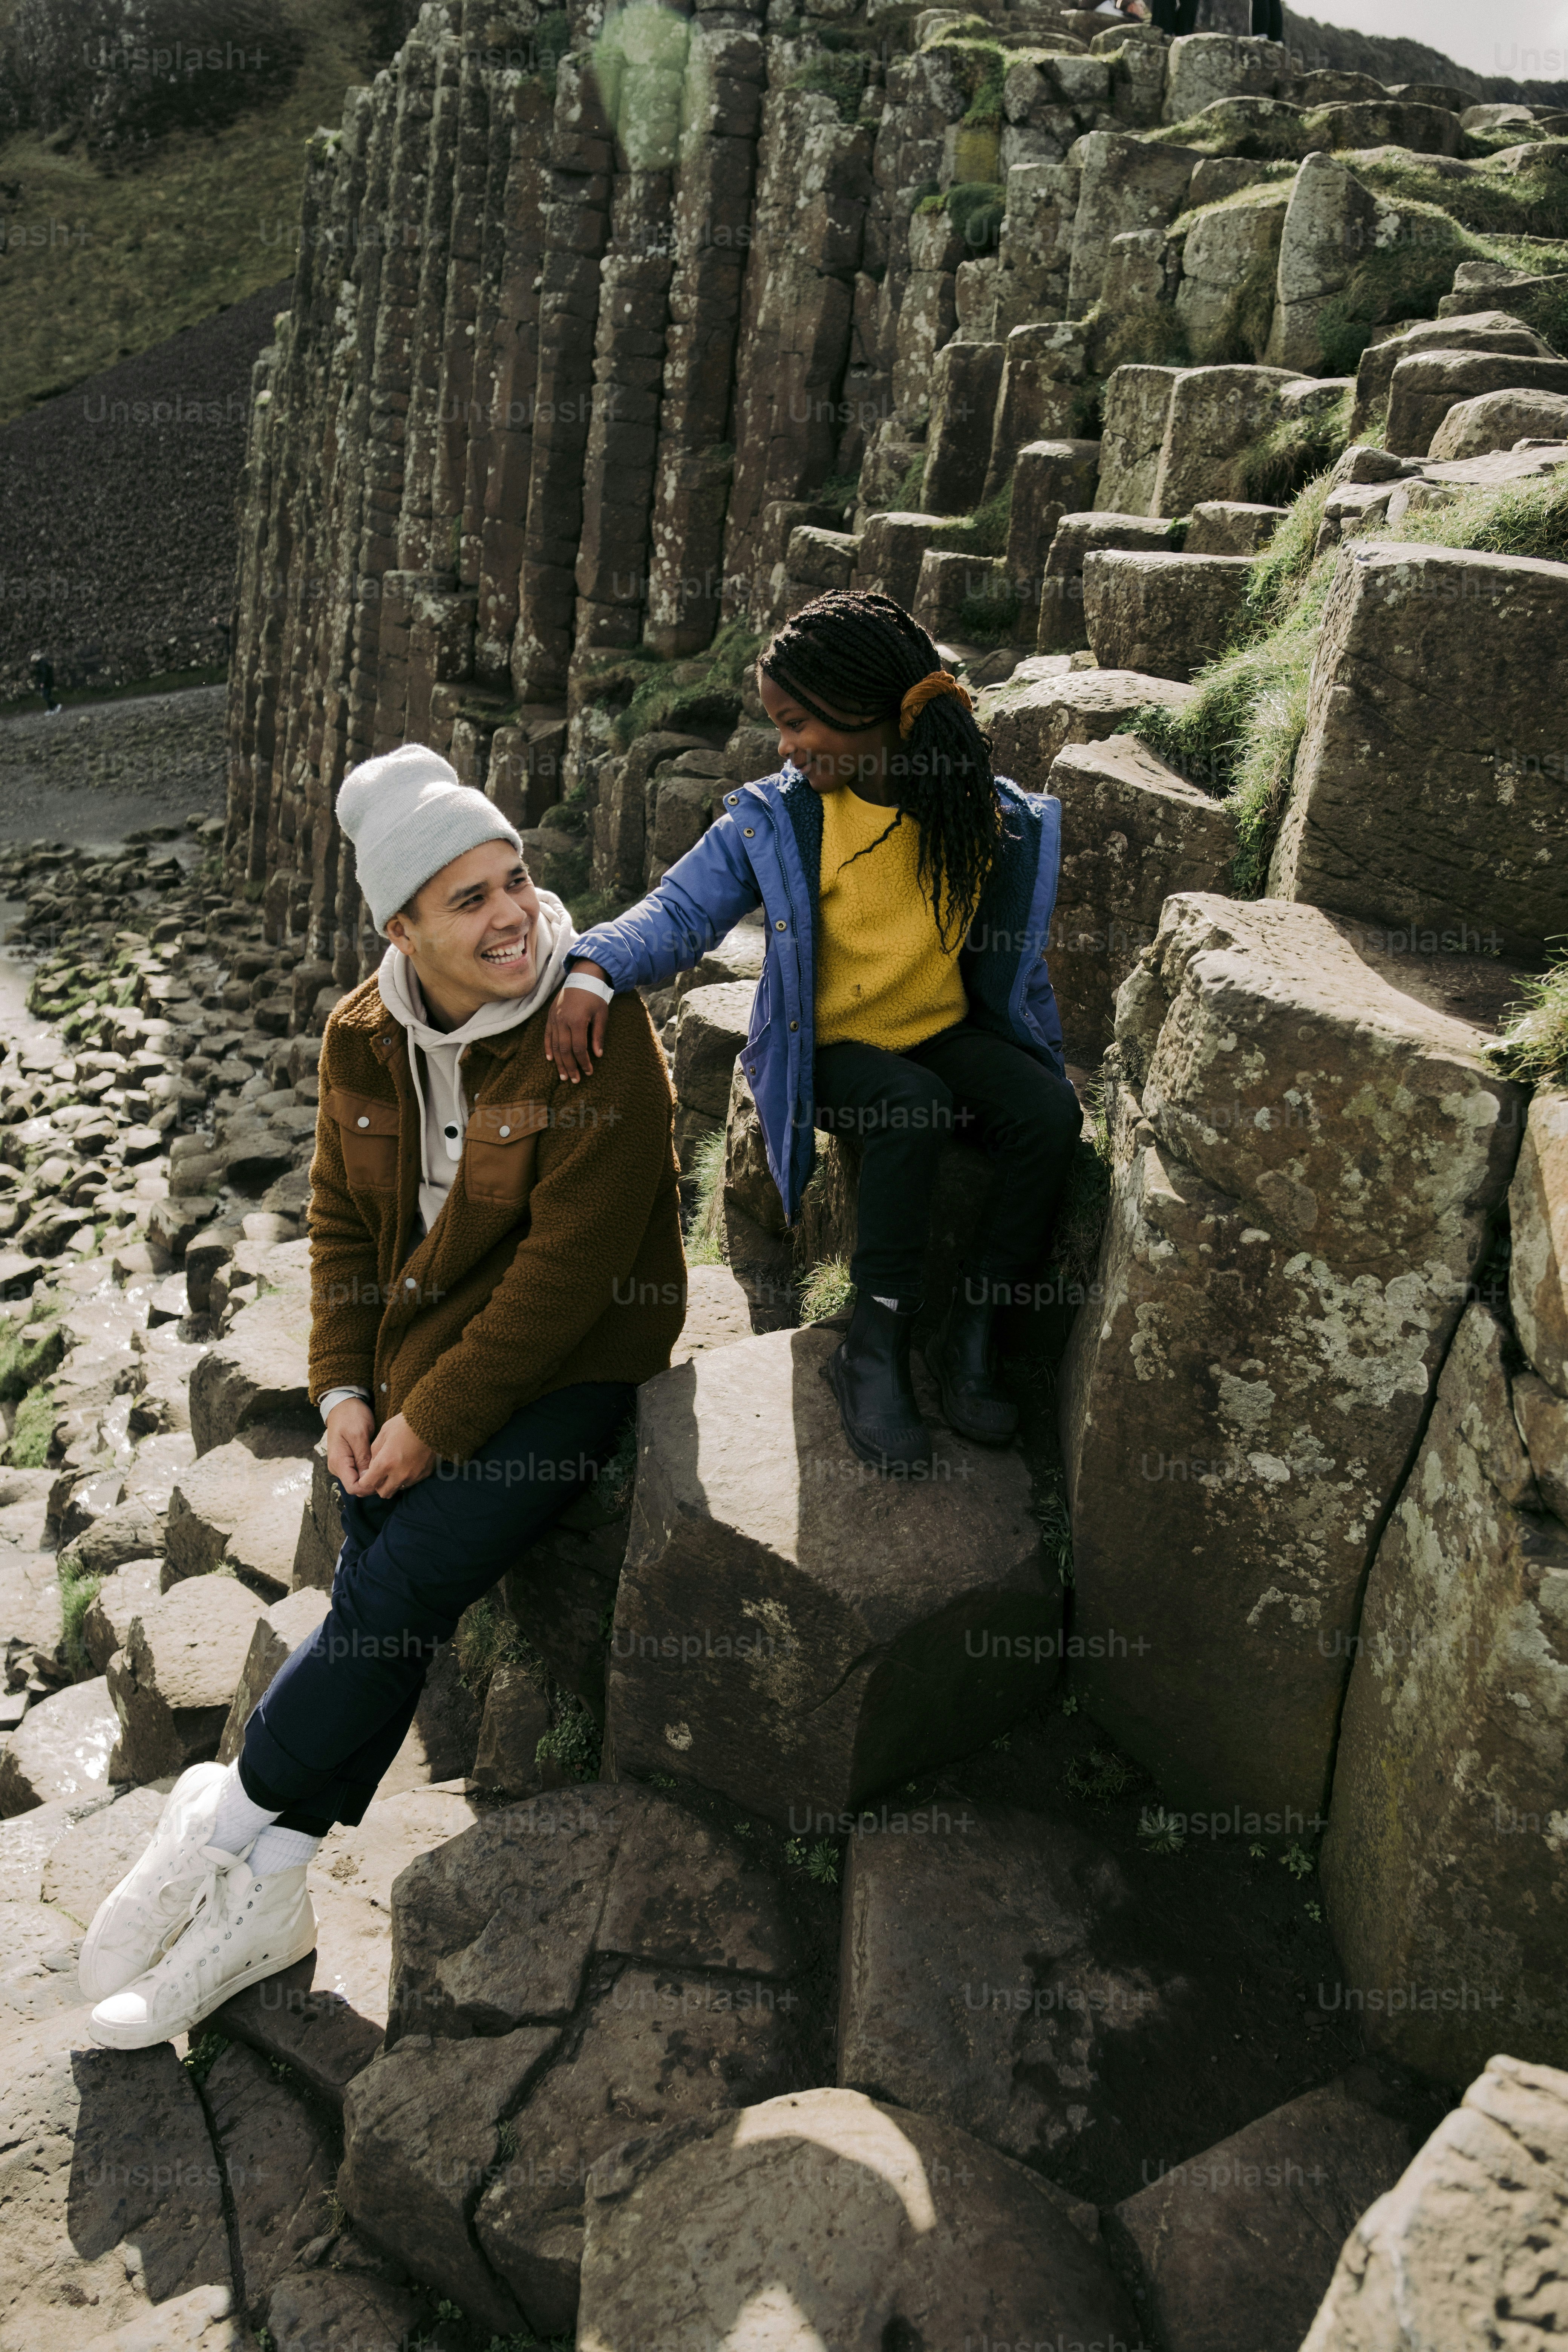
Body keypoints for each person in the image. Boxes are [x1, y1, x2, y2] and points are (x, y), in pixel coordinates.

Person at [81, 745, 685, 2049]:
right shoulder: (363, 1033)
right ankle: (274, 1889)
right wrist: (346, 1388)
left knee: (397, 1580)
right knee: (378, 1565)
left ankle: (232, 1821)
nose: (512, 914)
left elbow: (570, 1274)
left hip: (580, 1355)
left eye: (515, 879)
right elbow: (344, 1233)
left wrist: (428, 1423)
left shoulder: (596, 1025)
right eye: (467, 900)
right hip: (426, 1346)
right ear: (402, 926)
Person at [546, 590, 1083, 1479]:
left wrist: (1039, 1062)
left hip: (940, 1032)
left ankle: (977, 1329)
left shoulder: (984, 818)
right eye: (778, 727)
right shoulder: (782, 817)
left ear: (870, 707)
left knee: (1047, 1113)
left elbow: (1016, 974)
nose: (787, 747)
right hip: (826, 1051)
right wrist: (594, 967)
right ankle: (873, 1344)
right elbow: (682, 910)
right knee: (911, 1108)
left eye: (799, 724)